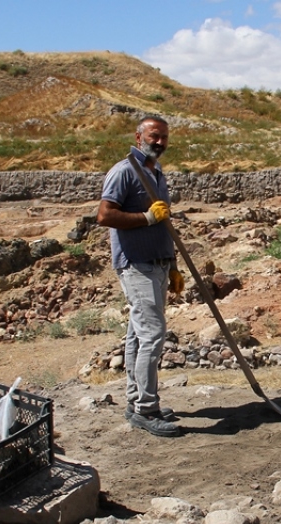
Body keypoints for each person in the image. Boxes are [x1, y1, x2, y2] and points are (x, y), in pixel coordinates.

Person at [97, 116, 181, 438]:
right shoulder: (124, 171)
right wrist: (146, 217)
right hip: (136, 264)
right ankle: (147, 409)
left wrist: (172, 264)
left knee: (137, 335)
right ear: (138, 137)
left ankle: (136, 401)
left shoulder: (156, 173)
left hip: (157, 264)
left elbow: (164, 223)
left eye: (164, 138)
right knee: (153, 335)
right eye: (154, 136)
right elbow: (104, 215)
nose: (159, 142)